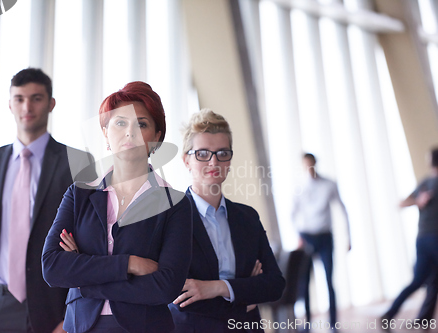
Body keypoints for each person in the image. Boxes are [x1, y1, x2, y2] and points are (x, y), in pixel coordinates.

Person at [42, 81, 193, 333]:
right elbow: (52, 267)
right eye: (120, 122)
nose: (129, 132)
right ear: (105, 132)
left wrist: (83, 277)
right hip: (81, 327)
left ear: (156, 138)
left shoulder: (174, 204)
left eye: (141, 124)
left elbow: (166, 286)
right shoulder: (78, 195)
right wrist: (129, 264)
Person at [0, 68, 96, 333]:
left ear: (51, 103)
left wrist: (74, 308)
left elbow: (91, 243)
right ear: (10, 104)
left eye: (36, 98)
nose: (27, 106)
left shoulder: (78, 163)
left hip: (55, 306)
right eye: (19, 98)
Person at [169, 109, 285, 333]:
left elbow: (274, 285)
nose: (214, 162)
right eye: (202, 153)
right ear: (186, 160)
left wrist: (214, 288)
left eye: (222, 153)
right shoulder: (170, 219)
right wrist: (244, 295)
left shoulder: (247, 217)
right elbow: (179, 298)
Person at [291, 153, 351, 329]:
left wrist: (349, 237)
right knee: (304, 282)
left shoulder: (329, 184)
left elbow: (342, 210)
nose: (309, 168)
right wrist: (298, 237)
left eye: (311, 165)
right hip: (307, 237)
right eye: (306, 165)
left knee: (329, 280)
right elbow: (292, 214)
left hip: (325, 237)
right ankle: (307, 323)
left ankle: (333, 323)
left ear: (315, 164)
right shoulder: (299, 187)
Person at [382, 148, 438, 324]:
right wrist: (419, 199)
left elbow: (402, 203)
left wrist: (418, 200)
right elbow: (402, 203)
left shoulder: (425, 182)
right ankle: (390, 315)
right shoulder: (426, 183)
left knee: (427, 281)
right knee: (424, 281)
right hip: (431, 237)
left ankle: (412, 318)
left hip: (422, 238)